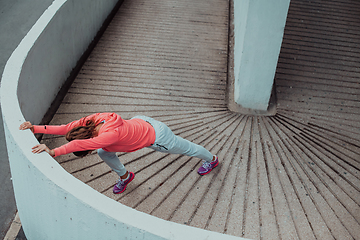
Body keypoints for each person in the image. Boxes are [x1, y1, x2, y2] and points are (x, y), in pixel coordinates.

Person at [19, 113, 219, 194]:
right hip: (141, 121)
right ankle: (126, 176)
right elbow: (65, 128)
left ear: (85, 140)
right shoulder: (93, 121)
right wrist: (35, 128)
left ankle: (212, 159)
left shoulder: (108, 136)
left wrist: (53, 151)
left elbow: (76, 146)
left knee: (188, 149)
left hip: (158, 137)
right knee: (103, 153)